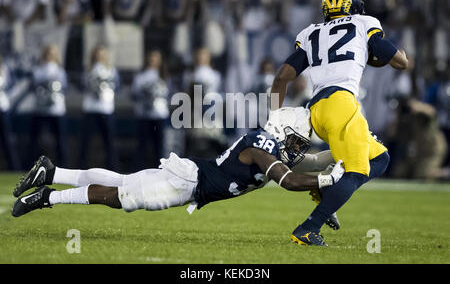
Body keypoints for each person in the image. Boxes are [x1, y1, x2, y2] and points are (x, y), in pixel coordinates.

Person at [12, 107, 345, 240]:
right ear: (283, 130)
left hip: (190, 178)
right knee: (122, 197)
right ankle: (48, 196)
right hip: (188, 182)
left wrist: (343, 152)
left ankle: (53, 171)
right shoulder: (261, 146)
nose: (298, 148)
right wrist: (330, 180)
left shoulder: (271, 147)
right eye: (296, 140)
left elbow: (311, 164)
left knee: (120, 183)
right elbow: (290, 181)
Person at [270, 0, 408, 246]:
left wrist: (274, 120)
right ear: (355, 8)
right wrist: (402, 55)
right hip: (342, 104)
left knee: (379, 157)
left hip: (317, 109)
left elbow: (281, 77)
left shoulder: (310, 32)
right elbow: (400, 62)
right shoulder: (364, 22)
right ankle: (308, 228)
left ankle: (326, 190)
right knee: (356, 171)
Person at [79, 45, 120, 170]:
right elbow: (82, 85)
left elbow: (117, 86)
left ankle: (113, 168)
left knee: (109, 142)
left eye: (102, 54)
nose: (99, 57)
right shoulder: (88, 69)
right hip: (90, 109)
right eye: (97, 54)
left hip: (106, 109)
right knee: (86, 141)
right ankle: (81, 167)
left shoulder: (111, 70)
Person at [29, 44, 68, 167]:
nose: (49, 56)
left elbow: (64, 88)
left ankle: (63, 166)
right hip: (40, 110)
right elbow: (34, 87)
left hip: (56, 110)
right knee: (34, 141)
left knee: (60, 141)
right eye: (47, 53)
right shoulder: (38, 70)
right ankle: (30, 167)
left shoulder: (60, 71)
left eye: (52, 53)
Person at [131, 50, 169, 169]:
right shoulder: (141, 76)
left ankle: (160, 171)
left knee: (160, 146)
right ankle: (139, 171)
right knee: (142, 146)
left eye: (156, 58)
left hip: (160, 115)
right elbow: (134, 94)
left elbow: (170, 94)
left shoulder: (164, 76)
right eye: (151, 57)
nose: (153, 60)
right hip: (144, 115)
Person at [0, 56, 20, 170]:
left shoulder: (4, 70)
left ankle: (14, 168)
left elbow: (12, 85)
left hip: (2, 108)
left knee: (7, 140)